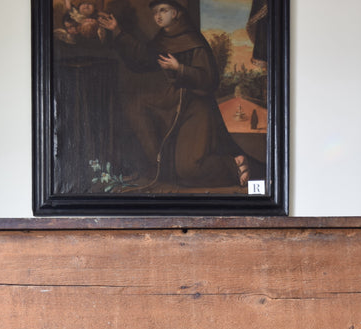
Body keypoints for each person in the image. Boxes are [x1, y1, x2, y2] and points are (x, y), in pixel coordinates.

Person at [98, 0, 249, 189]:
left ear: (176, 13)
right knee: (135, 106)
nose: (158, 16)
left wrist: (180, 68)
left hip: (196, 109)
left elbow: (209, 80)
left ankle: (234, 164)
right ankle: (156, 163)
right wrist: (117, 31)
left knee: (189, 169)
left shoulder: (194, 41)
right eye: (155, 13)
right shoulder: (163, 39)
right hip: (173, 104)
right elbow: (143, 58)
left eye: (163, 10)